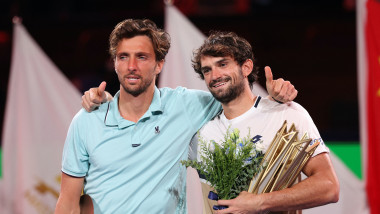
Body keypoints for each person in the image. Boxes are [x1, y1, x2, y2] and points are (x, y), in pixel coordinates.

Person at [56, 19, 297, 214]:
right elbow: (67, 204)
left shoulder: (186, 105)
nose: (131, 66)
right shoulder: (86, 120)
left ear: (159, 64)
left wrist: (273, 98)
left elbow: (236, 99)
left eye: (141, 57)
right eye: (123, 57)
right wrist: (103, 100)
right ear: (115, 64)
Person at [188, 31, 339, 214]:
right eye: (207, 70)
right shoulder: (200, 129)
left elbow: (329, 187)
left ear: (246, 67)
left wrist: (259, 202)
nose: (214, 75)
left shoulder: (286, 114)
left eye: (222, 64)